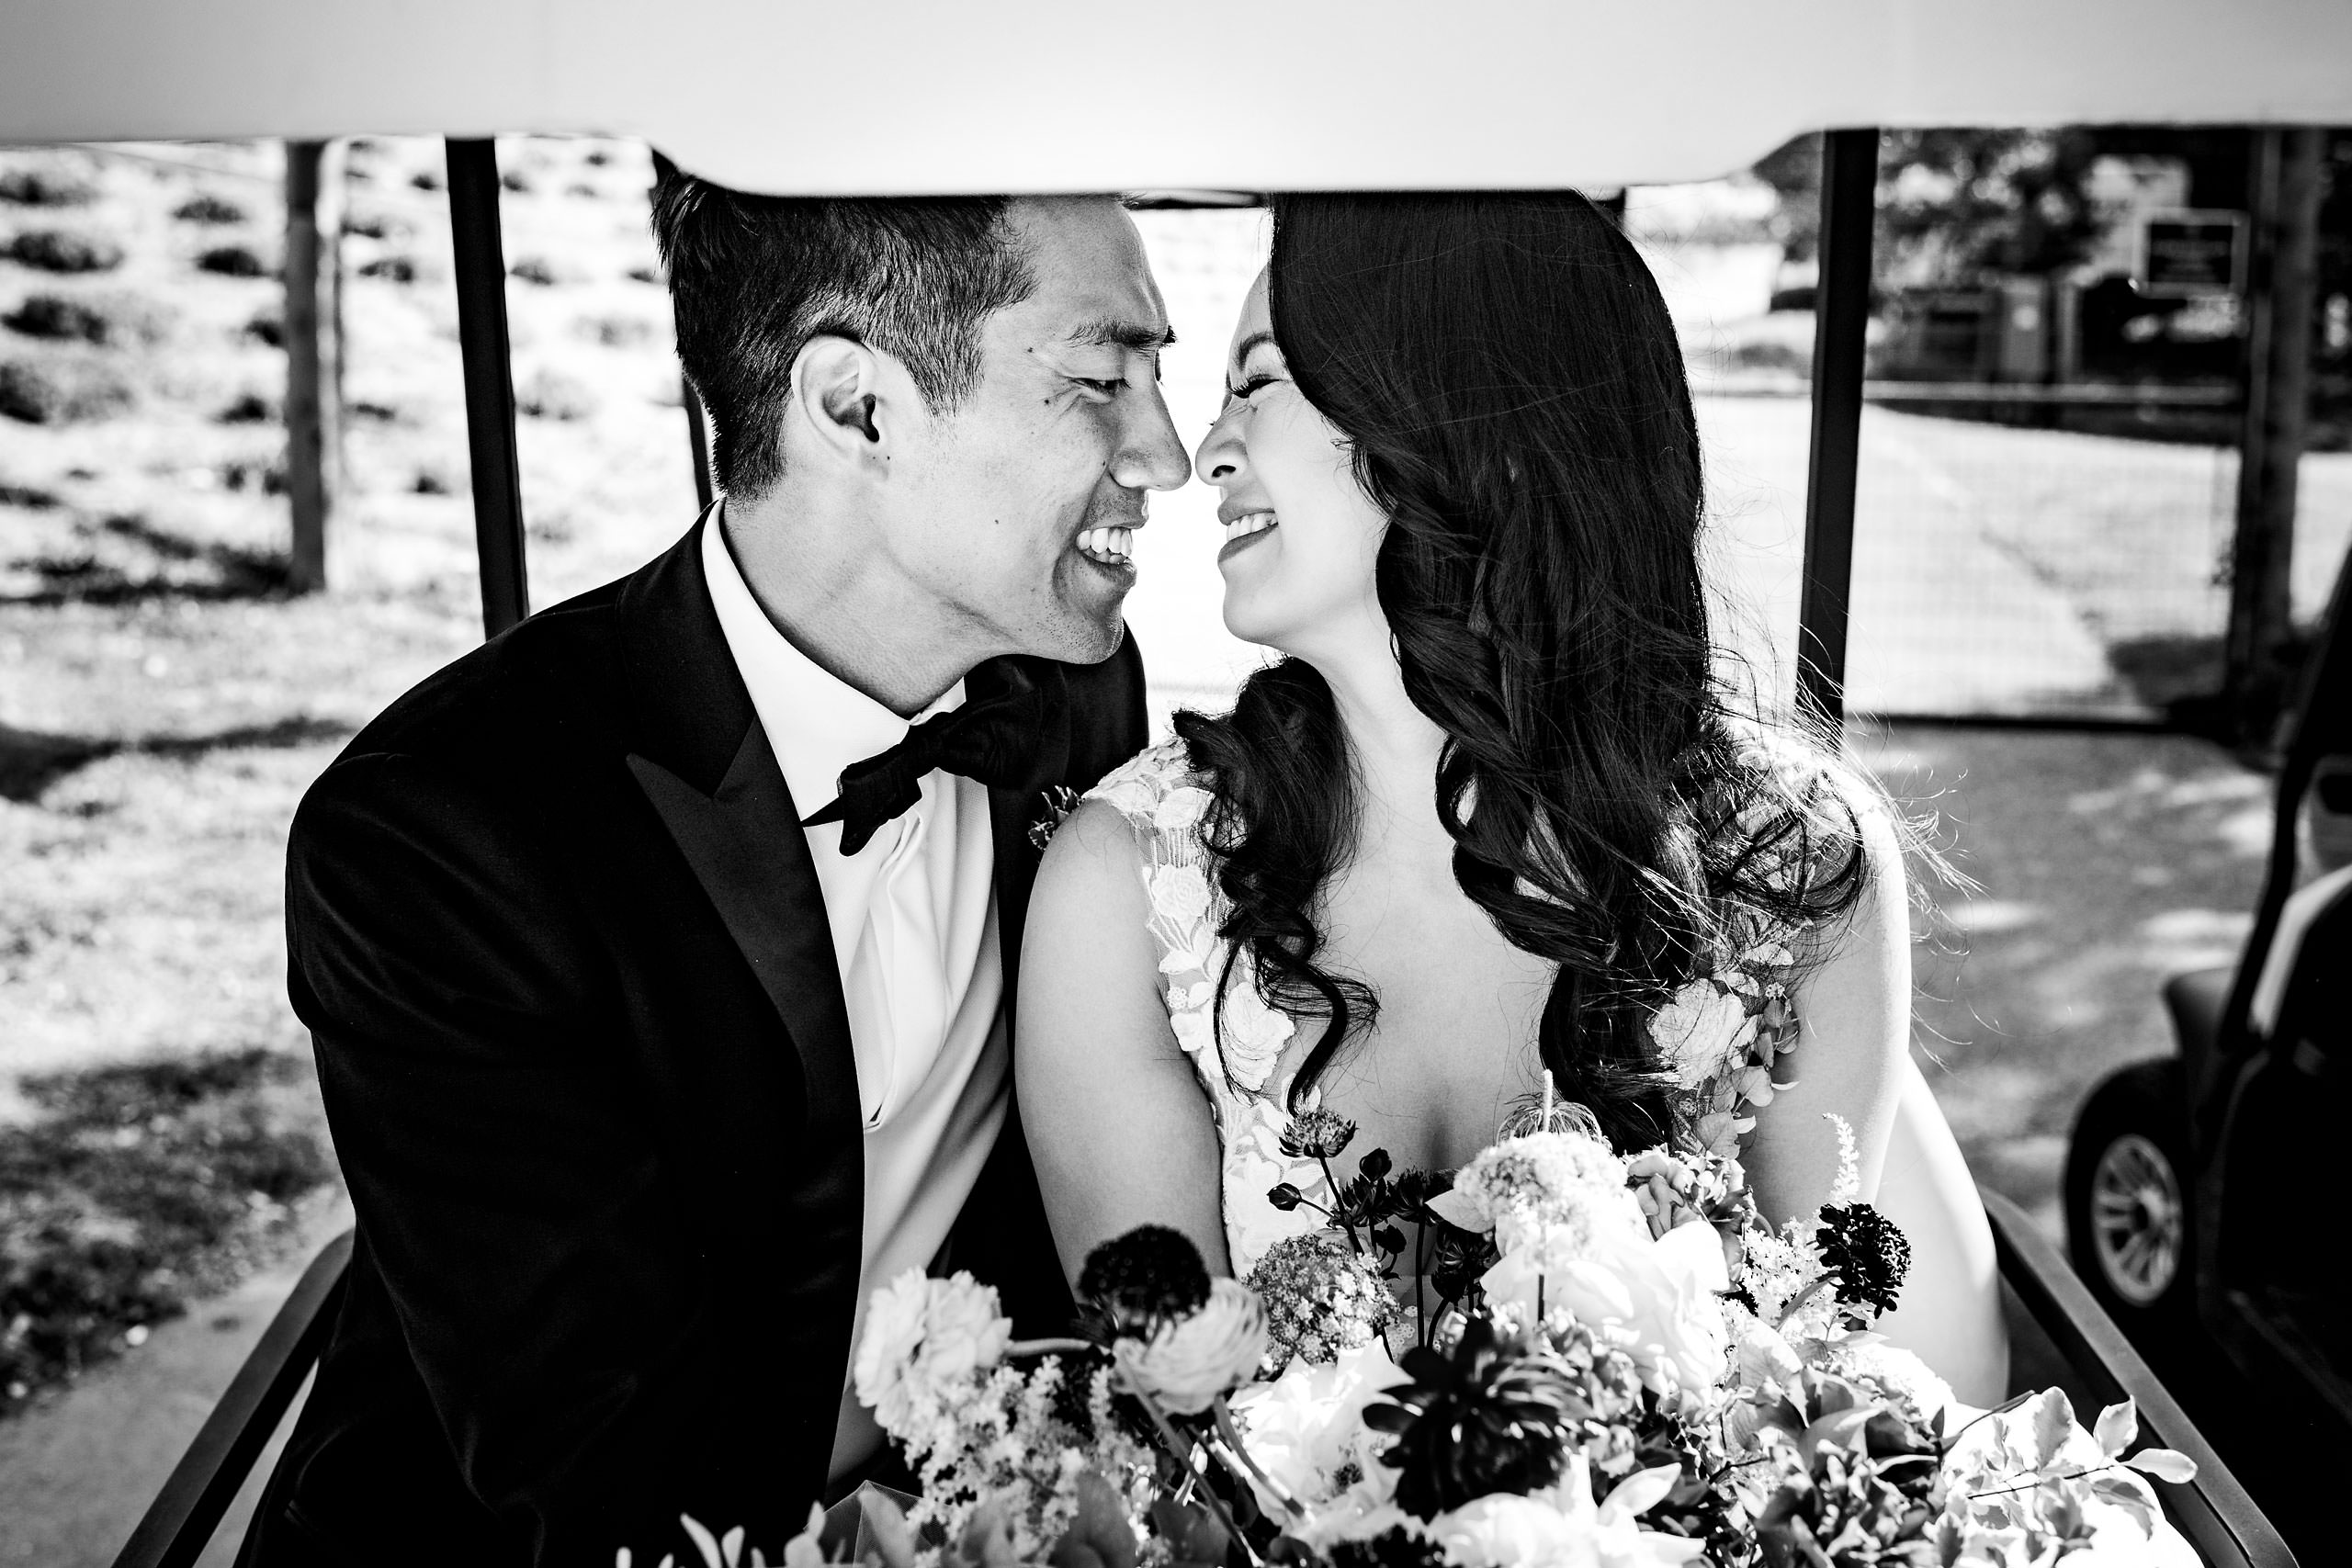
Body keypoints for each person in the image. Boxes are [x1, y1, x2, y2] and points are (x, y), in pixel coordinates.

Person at [240, 183, 1189, 1566]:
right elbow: (600, 1474)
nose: (1160, 451)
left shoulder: (1073, 696)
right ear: (852, 406)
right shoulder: (443, 842)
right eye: (1102, 379)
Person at [1017, 190, 2007, 1405]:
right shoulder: (1128, 882)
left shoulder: (1790, 859)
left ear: (1464, 425)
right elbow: (1175, 1435)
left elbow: (1818, 1386)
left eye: (1259, 384)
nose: (1204, 452)